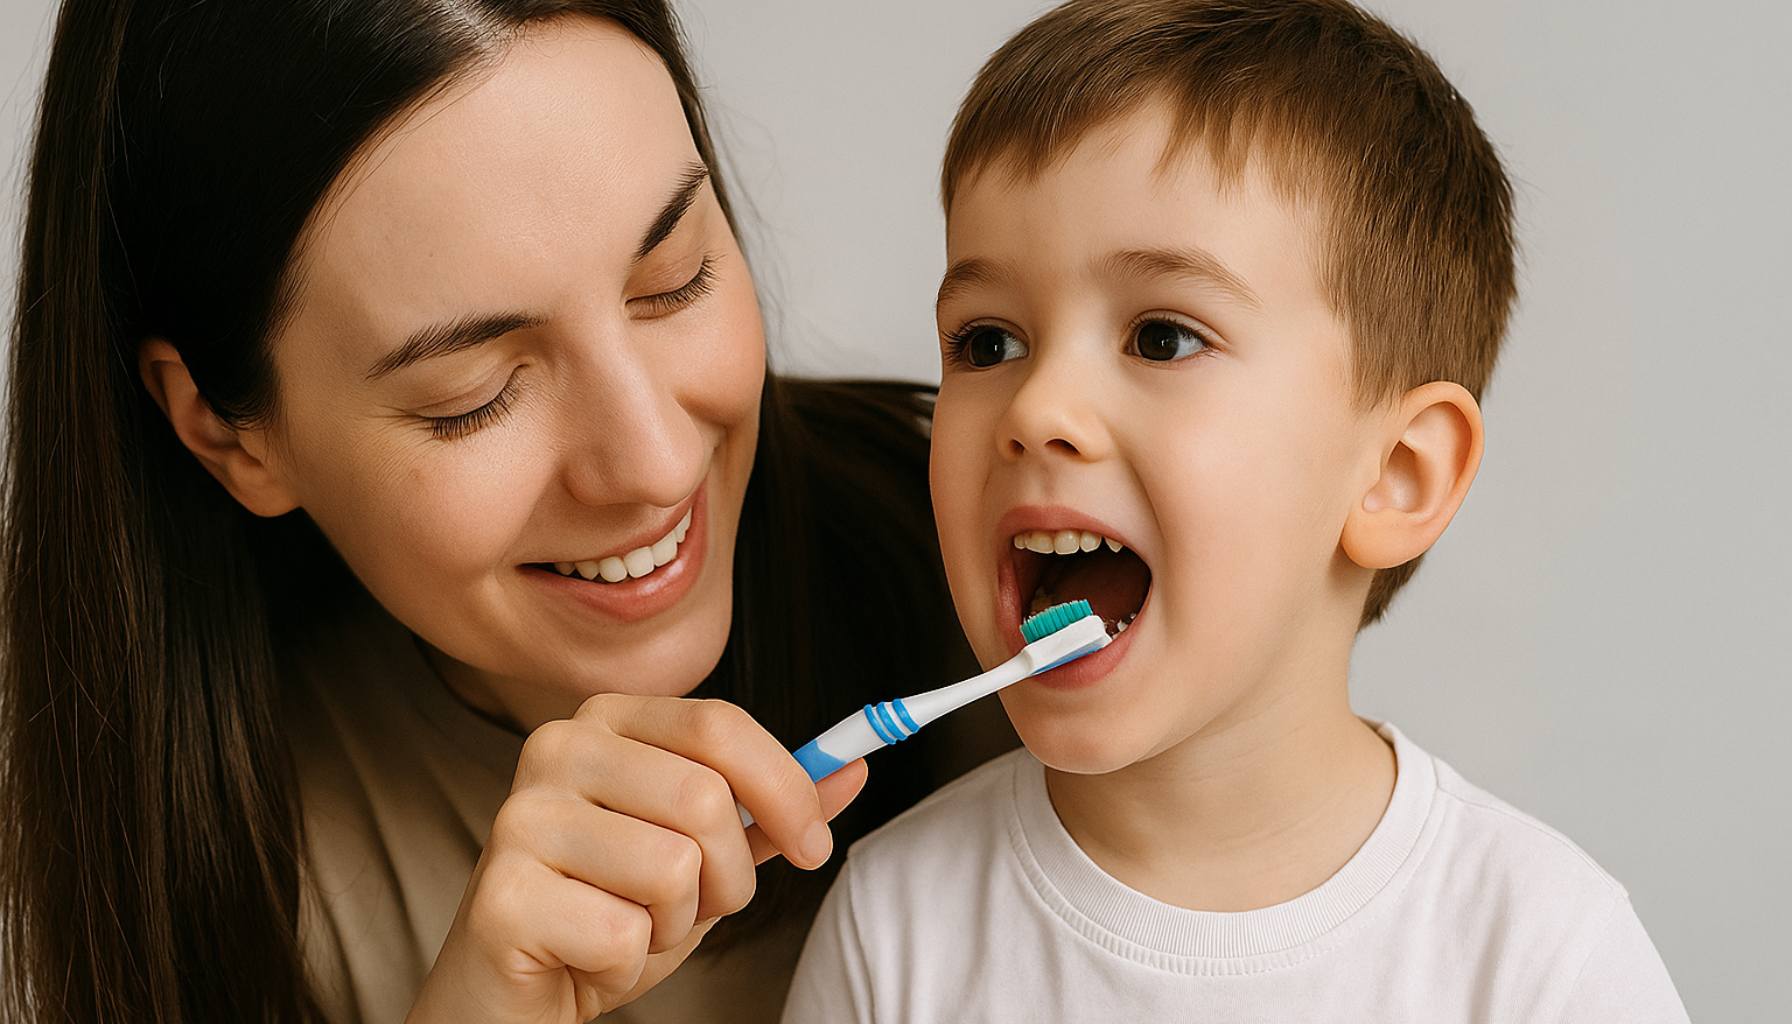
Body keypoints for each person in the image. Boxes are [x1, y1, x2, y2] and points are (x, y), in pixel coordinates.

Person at [0, 3, 1005, 1023]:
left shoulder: (991, 577)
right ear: (226, 431)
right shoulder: (212, 873)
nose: (655, 464)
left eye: (673, 279)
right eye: (471, 394)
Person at [782, 1, 1690, 1021]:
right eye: (987, 342)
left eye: (1161, 338)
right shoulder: (893, 928)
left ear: (1395, 473)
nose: (1036, 410)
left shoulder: (1538, 956)